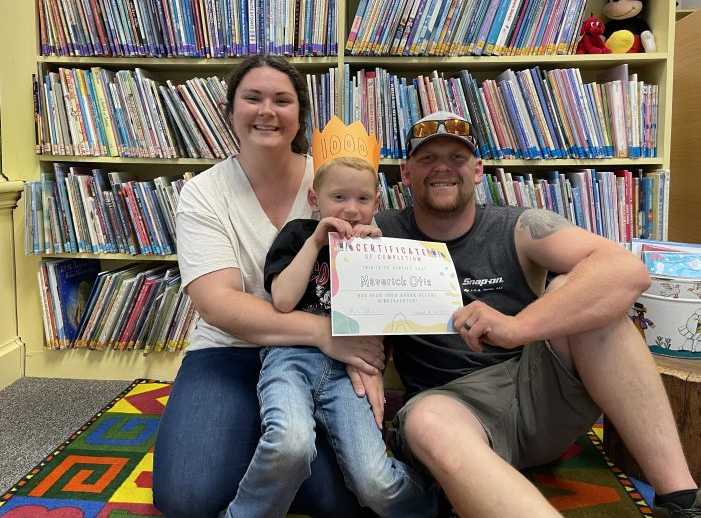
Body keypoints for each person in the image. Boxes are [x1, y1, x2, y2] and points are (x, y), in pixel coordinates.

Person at [375, 110, 701, 518]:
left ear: (479, 171)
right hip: (451, 408)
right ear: (405, 173)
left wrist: (518, 327)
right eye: (427, 158)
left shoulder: (520, 226)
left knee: (584, 292)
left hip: (537, 391)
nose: (442, 167)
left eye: (457, 158)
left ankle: (681, 501)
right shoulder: (377, 231)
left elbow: (626, 271)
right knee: (424, 421)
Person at [152, 55, 386, 518]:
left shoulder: (337, 180)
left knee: (345, 501)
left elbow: (372, 281)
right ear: (230, 110)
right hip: (230, 350)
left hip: (324, 361)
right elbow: (218, 305)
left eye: (283, 100)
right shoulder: (203, 192)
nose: (267, 110)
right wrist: (324, 332)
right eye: (252, 98)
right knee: (187, 499)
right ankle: (261, 437)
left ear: (300, 113)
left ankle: (271, 443)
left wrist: (369, 360)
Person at [223, 154, 437, 517]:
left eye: (363, 199)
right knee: (290, 444)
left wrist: (380, 258)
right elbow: (284, 300)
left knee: (374, 481)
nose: (351, 210)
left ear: (376, 202)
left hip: (346, 373)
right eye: (338, 198)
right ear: (314, 199)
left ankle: (434, 503)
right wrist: (316, 243)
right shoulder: (297, 234)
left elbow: (386, 324)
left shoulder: (380, 245)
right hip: (290, 357)